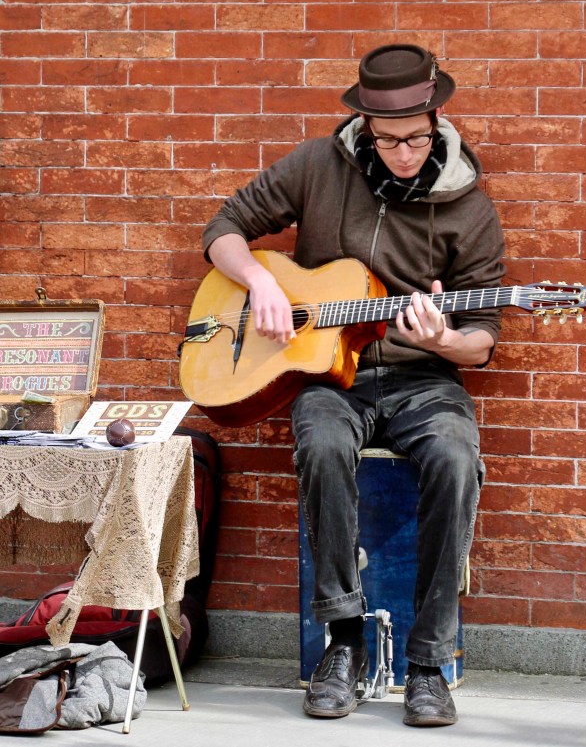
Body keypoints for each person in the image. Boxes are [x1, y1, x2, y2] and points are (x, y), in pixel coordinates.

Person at [202, 44, 505, 727]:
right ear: (366, 125)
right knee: (320, 443)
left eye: (417, 137)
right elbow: (224, 228)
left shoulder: (469, 208)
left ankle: (428, 664)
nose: (404, 153)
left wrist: (444, 340)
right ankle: (342, 641)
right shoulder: (318, 164)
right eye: (389, 139)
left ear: (436, 119)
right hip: (331, 375)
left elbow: (483, 338)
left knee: (456, 459)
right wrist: (261, 282)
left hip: (424, 378)